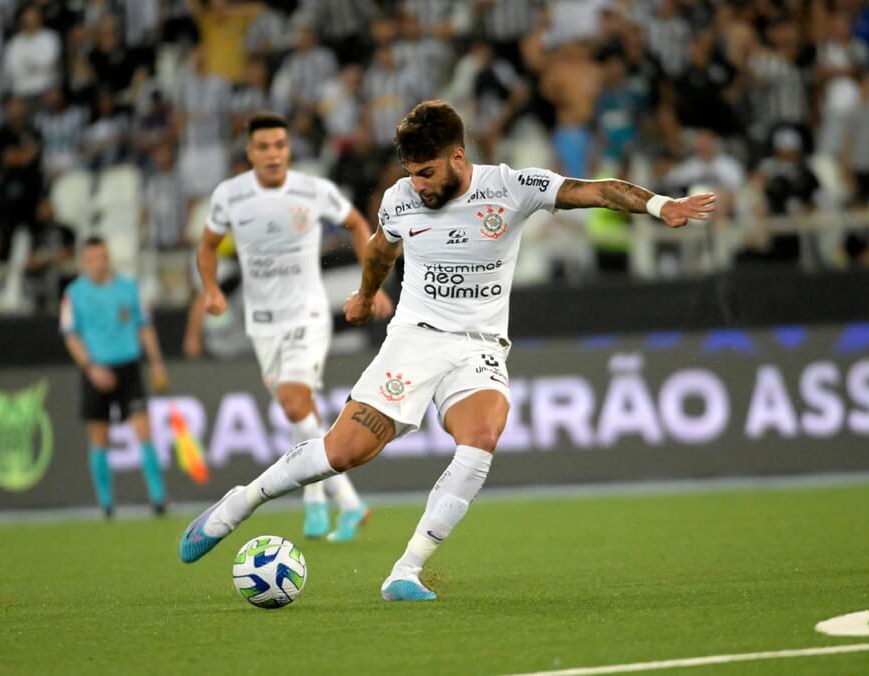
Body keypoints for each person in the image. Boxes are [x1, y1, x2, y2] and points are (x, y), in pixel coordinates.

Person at [178, 100, 715, 600]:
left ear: (458, 157)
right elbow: (379, 252)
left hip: (480, 347)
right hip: (414, 340)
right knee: (344, 453)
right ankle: (240, 502)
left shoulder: (510, 186)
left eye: (427, 172)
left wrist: (660, 204)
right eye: (411, 173)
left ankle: (406, 570)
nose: (418, 185)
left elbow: (595, 190)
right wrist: (366, 298)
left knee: (481, 436)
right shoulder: (400, 199)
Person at [191, 112, 394, 542]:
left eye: (279, 145)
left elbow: (359, 225)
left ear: (287, 150)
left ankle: (325, 502)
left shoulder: (312, 190)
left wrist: (368, 286)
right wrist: (210, 288)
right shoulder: (230, 196)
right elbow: (207, 246)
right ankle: (341, 504)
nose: (272, 154)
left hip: (307, 315)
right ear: (250, 153)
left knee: (293, 403)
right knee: (299, 415)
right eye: (263, 147)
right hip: (262, 325)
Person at [60, 237, 169, 518]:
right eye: (92, 259)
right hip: (95, 370)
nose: (99, 263)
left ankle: (158, 499)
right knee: (99, 438)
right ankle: (106, 504)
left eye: (103, 257)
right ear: (84, 262)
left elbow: (145, 327)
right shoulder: (74, 294)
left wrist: (156, 362)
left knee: (144, 431)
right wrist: (91, 368)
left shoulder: (130, 288)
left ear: (109, 258)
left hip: (128, 367)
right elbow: (71, 336)